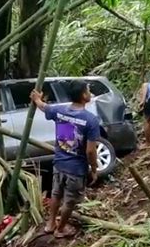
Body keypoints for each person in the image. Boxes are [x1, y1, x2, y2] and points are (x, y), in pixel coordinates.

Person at [30, 80, 99, 238]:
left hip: (59, 163)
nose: (90, 93)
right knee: (69, 201)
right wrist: (94, 170)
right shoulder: (90, 120)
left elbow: (43, 107)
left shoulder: (60, 111)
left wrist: (37, 99)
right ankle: (60, 230)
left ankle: (50, 224)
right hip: (76, 169)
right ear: (83, 95)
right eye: (88, 90)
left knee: (56, 194)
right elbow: (90, 151)